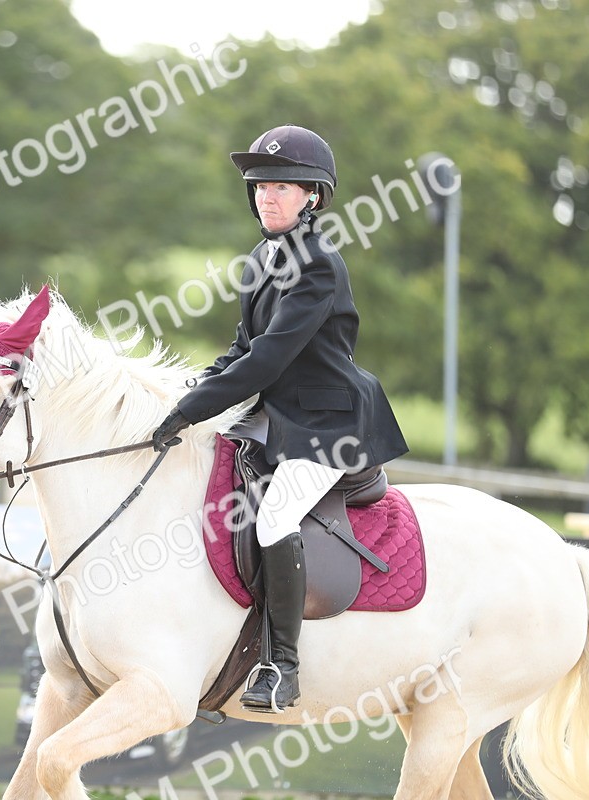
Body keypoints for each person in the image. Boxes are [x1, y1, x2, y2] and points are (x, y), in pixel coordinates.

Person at [151, 125, 409, 713]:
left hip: (330, 424)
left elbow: (267, 359)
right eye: (260, 185)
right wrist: (184, 390)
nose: (268, 195)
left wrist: (191, 412)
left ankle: (281, 665)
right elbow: (243, 347)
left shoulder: (318, 265)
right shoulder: (261, 260)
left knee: (274, 518)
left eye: (283, 186)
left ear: (312, 196)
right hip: (279, 416)